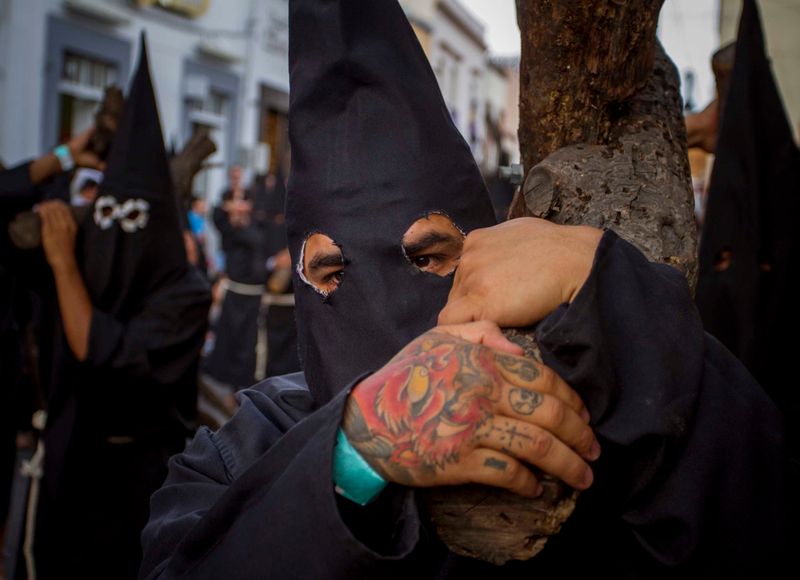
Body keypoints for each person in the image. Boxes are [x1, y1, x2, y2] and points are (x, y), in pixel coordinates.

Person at [140, 1, 788, 578]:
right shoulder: (240, 450)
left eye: (426, 259)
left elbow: (755, 505)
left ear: (483, 251)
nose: (383, 300)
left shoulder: (575, 420)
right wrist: (357, 453)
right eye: (332, 275)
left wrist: (615, 302)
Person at [7, 39, 211, 580]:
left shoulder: (184, 292)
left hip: (136, 492)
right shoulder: (80, 260)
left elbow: (101, 350)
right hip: (65, 472)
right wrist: (66, 157)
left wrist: (65, 266)